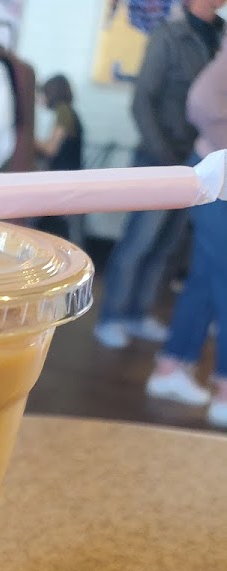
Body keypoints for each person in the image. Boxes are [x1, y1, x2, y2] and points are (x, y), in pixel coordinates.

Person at [94, 0, 224, 350]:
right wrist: (164, 154)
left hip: (199, 162)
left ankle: (138, 313)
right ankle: (112, 316)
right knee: (140, 240)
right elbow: (142, 100)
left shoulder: (220, 35)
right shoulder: (169, 35)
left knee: (168, 244)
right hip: (159, 158)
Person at [144, 39, 227, 428]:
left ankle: (171, 368)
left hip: (215, 175)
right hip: (216, 176)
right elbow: (202, 101)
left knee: (207, 277)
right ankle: (224, 390)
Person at [34, 74, 83, 240]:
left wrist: (27, 140)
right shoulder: (68, 112)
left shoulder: (64, 112)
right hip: (69, 178)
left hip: (65, 181)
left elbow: (51, 149)